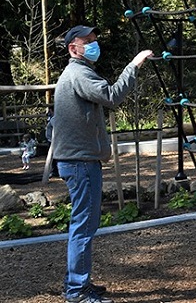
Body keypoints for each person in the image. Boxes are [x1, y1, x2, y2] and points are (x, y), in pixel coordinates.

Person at [51, 25, 153, 303]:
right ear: (74, 48)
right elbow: (112, 96)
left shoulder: (75, 73)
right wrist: (134, 65)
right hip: (80, 162)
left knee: (83, 224)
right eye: (89, 41)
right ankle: (77, 291)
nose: (94, 45)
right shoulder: (79, 73)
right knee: (83, 227)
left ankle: (77, 284)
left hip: (78, 160)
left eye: (96, 40)